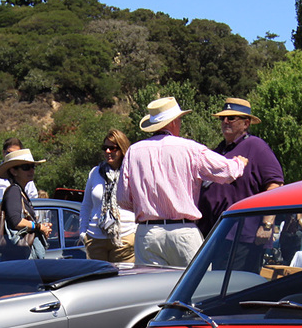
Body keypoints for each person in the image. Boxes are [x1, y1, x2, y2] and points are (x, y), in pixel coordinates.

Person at [118, 97, 245, 267]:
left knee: (153, 290)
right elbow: (227, 172)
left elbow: (123, 199)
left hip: (147, 233)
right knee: (196, 288)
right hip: (183, 231)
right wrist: (239, 163)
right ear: (172, 123)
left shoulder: (134, 151)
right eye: (178, 119)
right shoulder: (189, 149)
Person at [198, 98, 283, 236]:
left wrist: (267, 224)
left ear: (246, 123)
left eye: (231, 118)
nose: (225, 121)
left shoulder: (256, 146)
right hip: (212, 233)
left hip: (244, 235)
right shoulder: (218, 151)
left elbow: (275, 185)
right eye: (222, 118)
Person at [79, 130, 136, 264]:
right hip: (95, 238)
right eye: (105, 148)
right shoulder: (95, 172)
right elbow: (86, 205)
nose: (108, 151)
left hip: (124, 237)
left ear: (122, 149)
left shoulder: (131, 171)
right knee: (98, 283)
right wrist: (83, 232)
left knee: (123, 282)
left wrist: (136, 231)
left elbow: (140, 203)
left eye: (113, 148)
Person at [0, 149, 51, 259]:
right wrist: (39, 227)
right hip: (19, 257)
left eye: (33, 166)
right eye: (26, 167)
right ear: (13, 171)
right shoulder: (14, 191)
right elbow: (16, 221)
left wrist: (40, 227)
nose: (31, 170)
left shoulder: (20, 191)